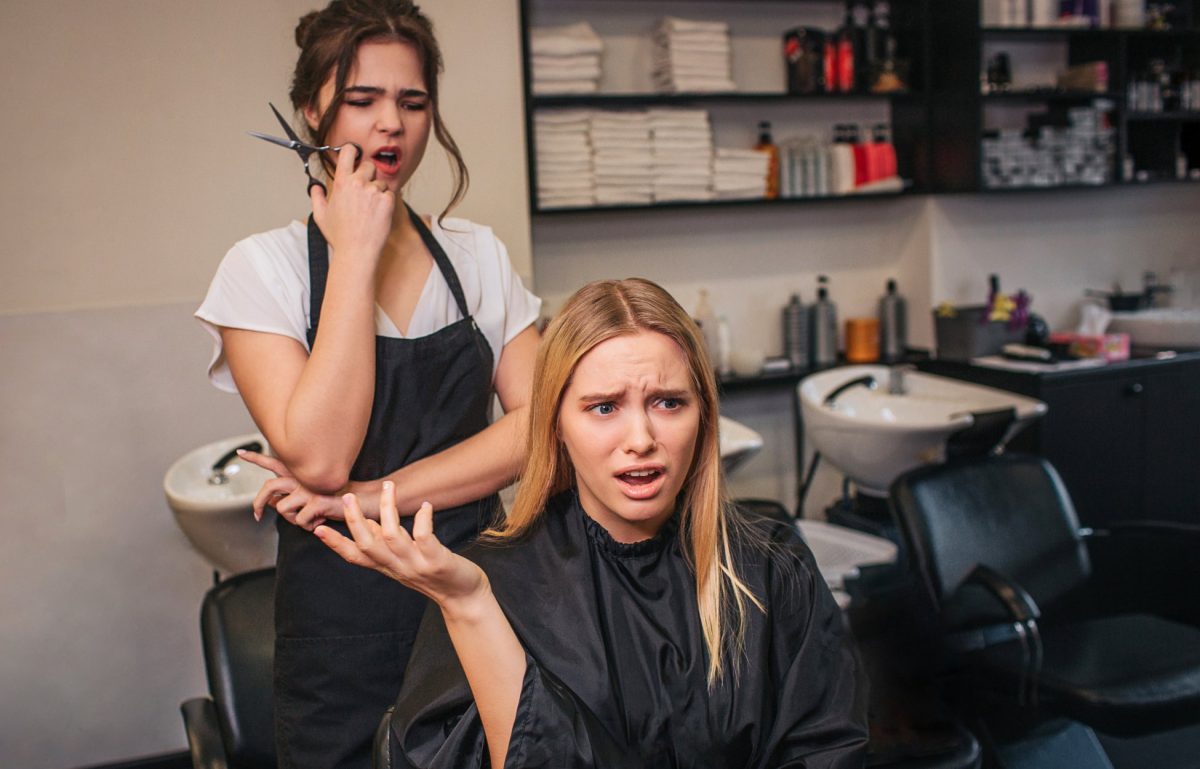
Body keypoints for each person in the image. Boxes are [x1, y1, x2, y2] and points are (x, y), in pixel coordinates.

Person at [317, 278, 868, 768]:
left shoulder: (772, 568)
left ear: (704, 413)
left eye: (668, 402)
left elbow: (827, 747)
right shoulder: (495, 582)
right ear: (555, 424)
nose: (641, 440)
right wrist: (470, 607)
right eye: (604, 407)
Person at [194, 2, 540, 767]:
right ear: (312, 108)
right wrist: (354, 250)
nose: (392, 125)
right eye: (362, 100)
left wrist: (374, 492)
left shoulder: (476, 256)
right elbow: (319, 456)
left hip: (473, 600)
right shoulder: (263, 269)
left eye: (413, 103)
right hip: (337, 638)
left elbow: (539, 427)